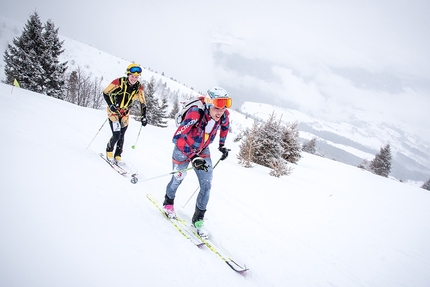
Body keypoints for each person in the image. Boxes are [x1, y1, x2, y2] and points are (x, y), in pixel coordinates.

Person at [163, 87, 232, 238]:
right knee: (178, 179)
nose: (220, 111)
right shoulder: (195, 112)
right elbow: (177, 137)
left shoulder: (223, 115)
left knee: (206, 185)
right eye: (216, 107)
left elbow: (225, 128)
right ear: (208, 104)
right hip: (183, 150)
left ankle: (198, 220)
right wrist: (193, 156)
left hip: (202, 150)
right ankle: (168, 203)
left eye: (224, 106)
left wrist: (222, 146)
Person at [103, 63, 147, 162]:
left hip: (125, 113)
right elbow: (105, 92)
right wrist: (110, 104)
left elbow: (143, 102)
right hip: (113, 112)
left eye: (136, 77)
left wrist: (144, 116)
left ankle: (118, 155)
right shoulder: (118, 82)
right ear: (128, 75)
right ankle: (109, 149)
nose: (134, 79)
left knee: (122, 134)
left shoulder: (139, 88)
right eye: (132, 76)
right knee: (116, 134)